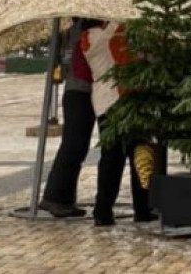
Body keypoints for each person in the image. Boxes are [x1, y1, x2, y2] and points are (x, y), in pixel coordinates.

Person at [80, 20, 156, 226]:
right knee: (114, 158)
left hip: (123, 100)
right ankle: (106, 211)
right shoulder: (92, 36)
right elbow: (111, 40)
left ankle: (139, 208)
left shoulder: (112, 34)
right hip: (112, 101)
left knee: (137, 155)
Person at [39, 18, 98, 217]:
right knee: (74, 145)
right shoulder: (82, 31)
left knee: (76, 146)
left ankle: (64, 199)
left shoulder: (73, 29)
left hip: (77, 90)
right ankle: (54, 198)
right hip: (80, 91)